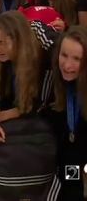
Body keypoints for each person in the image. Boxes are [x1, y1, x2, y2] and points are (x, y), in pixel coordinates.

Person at [0, 10, 60, 201]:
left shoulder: (42, 53)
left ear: (19, 40)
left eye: (3, 42)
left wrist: (3, 116)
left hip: (44, 114)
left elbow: (38, 104)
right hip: (15, 105)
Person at [50, 26, 87, 201]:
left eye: (76, 59)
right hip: (69, 159)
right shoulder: (53, 83)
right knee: (72, 190)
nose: (67, 65)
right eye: (64, 55)